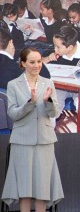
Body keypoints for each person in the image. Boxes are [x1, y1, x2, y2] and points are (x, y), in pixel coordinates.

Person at [1, 47, 64, 211]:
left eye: (39, 62)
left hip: (45, 140)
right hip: (22, 141)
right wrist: (29, 104)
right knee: (25, 189)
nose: (36, 65)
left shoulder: (48, 83)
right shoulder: (13, 85)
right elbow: (13, 114)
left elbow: (54, 112)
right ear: (23, 63)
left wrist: (48, 101)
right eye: (32, 62)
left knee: (42, 189)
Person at [42, 25, 80, 132]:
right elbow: (38, 62)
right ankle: (48, 134)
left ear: (70, 48)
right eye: (54, 45)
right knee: (50, 103)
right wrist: (48, 58)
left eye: (58, 47)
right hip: (60, 87)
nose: (55, 49)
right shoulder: (55, 49)